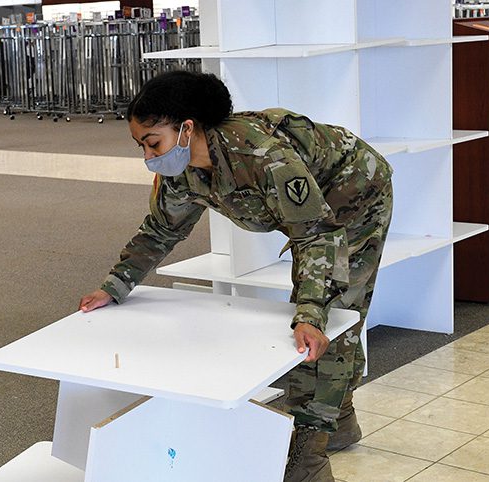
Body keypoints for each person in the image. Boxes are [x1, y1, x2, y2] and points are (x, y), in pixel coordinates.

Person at [78, 71, 392, 482]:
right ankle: (340, 418)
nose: (148, 156)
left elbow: (314, 234)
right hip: (314, 219)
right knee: (325, 316)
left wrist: (310, 312)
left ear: (186, 128)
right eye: (141, 146)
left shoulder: (261, 156)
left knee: (330, 315)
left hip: (354, 195)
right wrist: (114, 286)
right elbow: (161, 230)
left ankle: (310, 454)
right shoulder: (181, 170)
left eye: (153, 142)